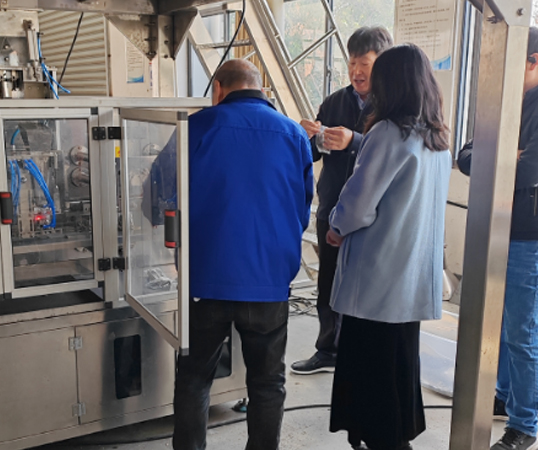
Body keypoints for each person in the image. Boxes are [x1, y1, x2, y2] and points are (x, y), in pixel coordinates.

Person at [171, 59, 314, 450]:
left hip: (206, 280)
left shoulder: (195, 127)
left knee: (194, 378)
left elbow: (160, 195)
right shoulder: (293, 134)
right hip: (269, 280)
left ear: (218, 89)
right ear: (260, 87)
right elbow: (302, 208)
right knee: (267, 382)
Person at [325, 44, 452, 450]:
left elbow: (359, 204)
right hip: (412, 273)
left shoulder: (387, 133)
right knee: (399, 364)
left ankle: (382, 439)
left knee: (371, 368)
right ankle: (395, 437)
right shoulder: (437, 139)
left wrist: (336, 226)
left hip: (378, 277)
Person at [291, 26, 393, 375]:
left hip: (373, 213)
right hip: (333, 206)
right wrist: (306, 138)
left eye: (364, 63)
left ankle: (361, 353)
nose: (356, 72)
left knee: (367, 284)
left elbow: (391, 153)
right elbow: (312, 156)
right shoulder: (335, 101)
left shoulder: (392, 106)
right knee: (329, 281)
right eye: (351, 63)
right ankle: (328, 348)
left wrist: (354, 141)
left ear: (383, 63)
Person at [457, 26, 538, 450]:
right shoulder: (506, 103)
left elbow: (528, 172)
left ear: (534, 61)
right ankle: (505, 397)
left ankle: (525, 424)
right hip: (499, 228)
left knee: (522, 332)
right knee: (502, 323)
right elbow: (465, 156)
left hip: (527, 235)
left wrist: (502, 159)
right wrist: (508, 156)